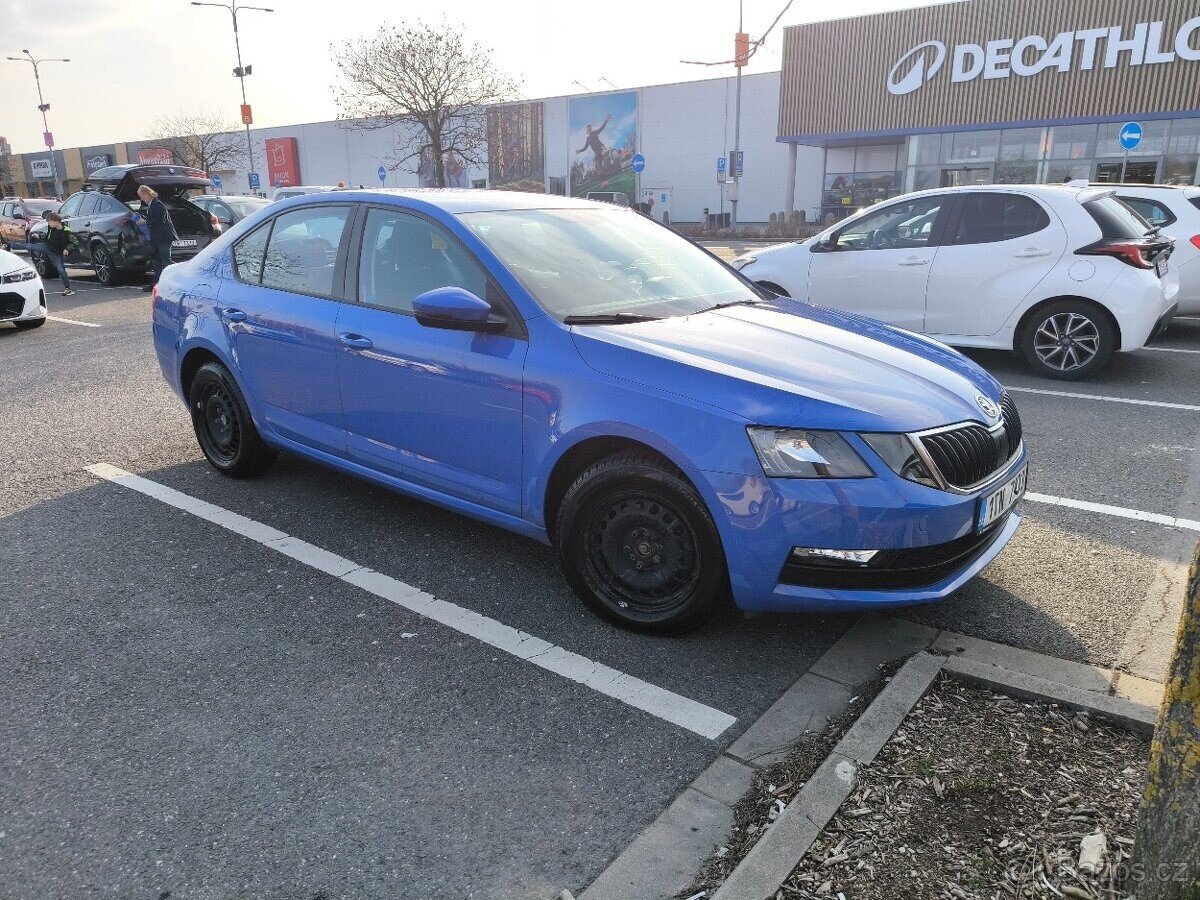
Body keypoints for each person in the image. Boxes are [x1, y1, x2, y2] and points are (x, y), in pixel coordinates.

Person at [137, 184, 177, 293]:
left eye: (141, 196)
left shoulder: (157, 204)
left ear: (147, 193)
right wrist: (144, 218)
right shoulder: (153, 205)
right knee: (157, 262)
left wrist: (145, 221)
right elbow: (154, 219)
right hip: (157, 238)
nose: (141, 199)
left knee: (166, 261)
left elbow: (158, 221)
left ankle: (183, 275)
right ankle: (156, 285)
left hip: (163, 238)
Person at [40, 211, 75, 296]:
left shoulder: (66, 231)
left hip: (58, 253)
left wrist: (67, 249)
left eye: (50, 222)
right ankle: (10, 245)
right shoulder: (51, 229)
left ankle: (68, 288)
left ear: (57, 222)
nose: (48, 224)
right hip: (50, 249)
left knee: (61, 270)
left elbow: (74, 242)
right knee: (29, 246)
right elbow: (47, 238)